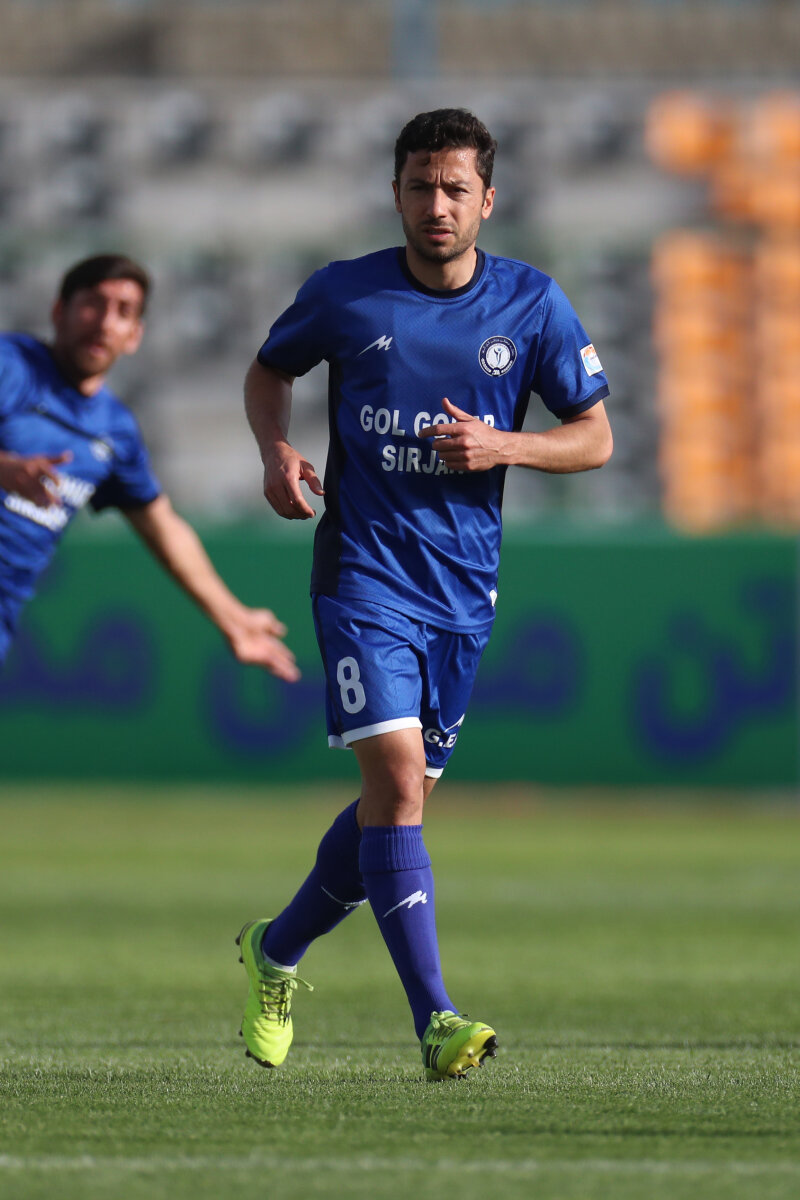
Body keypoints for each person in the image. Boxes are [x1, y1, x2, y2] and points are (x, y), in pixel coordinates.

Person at [240, 108, 613, 1080]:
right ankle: (435, 1019)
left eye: (454, 189)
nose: (436, 205)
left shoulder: (531, 303)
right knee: (399, 785)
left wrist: (504, 445)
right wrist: (275, 449)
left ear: (487, 199)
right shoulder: (345, 293)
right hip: (362, 574)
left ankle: (274, 949)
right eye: (419, 186)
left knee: (390, 803)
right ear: (395, 194)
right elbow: (269, 369)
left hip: (462, 592)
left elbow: (595, 436)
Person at [0, 253, 299, 682]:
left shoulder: (115, 430)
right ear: (58, 311)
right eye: (93, 303)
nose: (105, 322)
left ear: (135, 335)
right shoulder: (12, 365)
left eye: (123, 311)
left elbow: (164, 527)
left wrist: (232, 617)